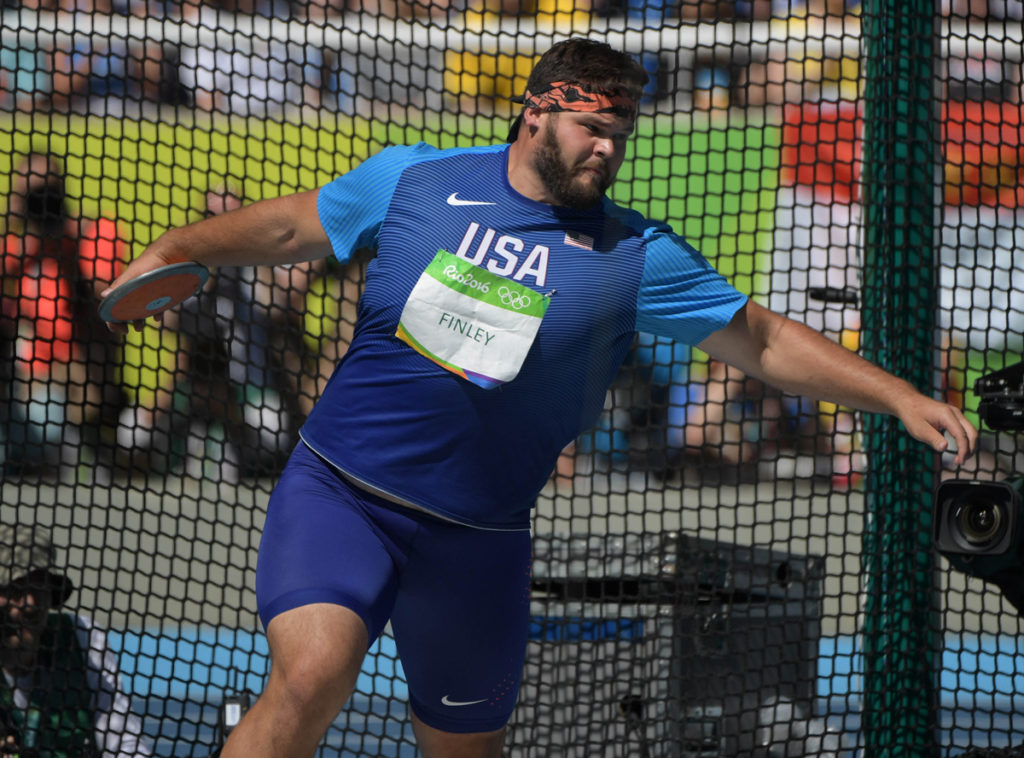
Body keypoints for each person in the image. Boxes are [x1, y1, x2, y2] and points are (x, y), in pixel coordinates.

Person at [101, 38, 978, 758]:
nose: (607, 149)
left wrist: (896, 395)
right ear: (536, 111)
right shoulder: (414, 179)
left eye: (620, 134)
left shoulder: (636, 255)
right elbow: (295, 226)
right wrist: (183, 244)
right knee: (310, 679)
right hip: (343, 496)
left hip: (478, 543)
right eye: (592, 128)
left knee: (463, 751)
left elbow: (766, 341)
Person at [1, 150, 129, 475]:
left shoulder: (94, 234)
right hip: (28, 389)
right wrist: (14, 219)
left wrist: (65, 242)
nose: (39, 201)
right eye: (30, 192)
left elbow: (107, 295)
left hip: (86, 386)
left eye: (46, 190)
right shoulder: (17, 250)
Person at [0, 524, 151, 757]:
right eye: (16, 588)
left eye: (38, 585)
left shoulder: (83, 638)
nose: (30, 602)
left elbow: (126, 743)